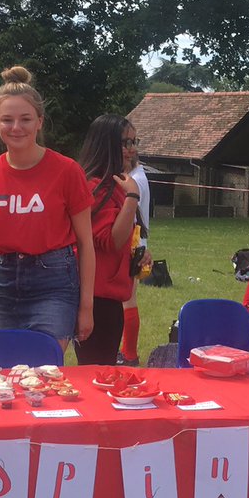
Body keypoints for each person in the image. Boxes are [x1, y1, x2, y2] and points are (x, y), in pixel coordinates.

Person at [0, 65, 95, 356]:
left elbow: (86, 243)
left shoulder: (66, 171)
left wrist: (86, 307)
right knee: (6, 370)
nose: (16, 127)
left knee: (44, 366)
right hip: (6, 283)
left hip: (54, 281)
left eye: (25, 119)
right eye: (7, 120)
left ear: (40, 122)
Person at [76, 114, 141, 365]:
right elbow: (110, 240)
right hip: (96, 298)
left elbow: (121, 242)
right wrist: (132, 197)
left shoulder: (115, 183)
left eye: (135, 141)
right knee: (97, 370)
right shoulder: (95, 185)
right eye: (125, 143)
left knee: (102, 367)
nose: (132, 149)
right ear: (106, 144)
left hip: (110, 295)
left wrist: (135, 254)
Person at [118, 145, 152, 366]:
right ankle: (127, 352)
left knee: (128, 300)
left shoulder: (135, 180)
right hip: (136, 244)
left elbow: (131, 217)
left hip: (132, 245)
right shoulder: (137, 175)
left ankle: (129, 354)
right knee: (128, 300)